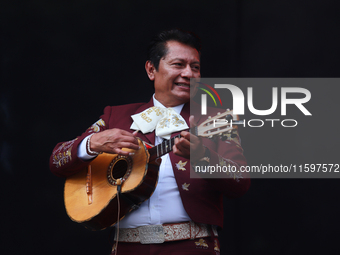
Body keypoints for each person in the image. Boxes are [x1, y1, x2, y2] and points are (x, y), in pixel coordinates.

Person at [50, 29, 250, 255]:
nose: (189, 74)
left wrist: (202, 156)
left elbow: (240, 181)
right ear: (151, 69)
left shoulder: (216, 119)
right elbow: (57, 160)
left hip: (192, 247)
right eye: (178, 64)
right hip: (127, 248)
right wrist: (91, 143)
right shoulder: (116, 117)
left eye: (195, 67)